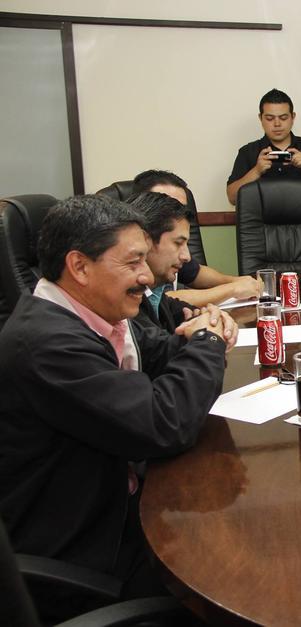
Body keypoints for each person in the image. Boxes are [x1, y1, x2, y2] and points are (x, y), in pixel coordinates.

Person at [0, 195, 237, 598]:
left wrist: (198, 334)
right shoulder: (47, 343)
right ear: (79, 267)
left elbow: (162, 352)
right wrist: (209, 343)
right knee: (230, 562)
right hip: (88, 548)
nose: (146, 276)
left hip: (118, 505)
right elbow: (164, 423)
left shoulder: (98, 315)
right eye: (133, 262)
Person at [132, 169, 262, 308]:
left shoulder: (173, 252)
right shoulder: (130, 265)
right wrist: (232, 289)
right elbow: (164, 301)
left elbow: (196, 273)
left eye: (181, 207)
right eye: (167, 205)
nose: (178, 213)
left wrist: (237, 281)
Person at [226, 88, 301, 204]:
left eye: (283, 118)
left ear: (293, 117)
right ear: (261, 118)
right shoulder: (247, 151)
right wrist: (256, 171)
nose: (277, 124)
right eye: (270, 118)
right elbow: (232, 198)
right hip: (263, 216)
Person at [129, 191, 197, 334]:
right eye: (178, 243)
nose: (187, 257)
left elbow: (193, 313)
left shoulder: (157, 293)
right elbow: (158, 344)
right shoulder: (127, 301)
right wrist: (209, 336)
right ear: (146, 242)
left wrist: (211, 317)